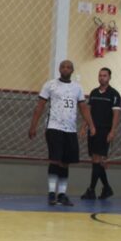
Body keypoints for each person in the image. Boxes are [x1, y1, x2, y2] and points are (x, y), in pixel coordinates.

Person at [28, 60, 96, 207]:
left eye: (69, 67)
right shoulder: (50, 85)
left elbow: (83, 108)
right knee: (55, 159)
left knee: (65, 163)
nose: (66, 69)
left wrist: (91, 125)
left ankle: (62, 194)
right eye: (63, 67)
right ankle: (52, 193)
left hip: (70, 129)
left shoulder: (77, 88)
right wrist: (33, 126)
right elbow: (40, 106)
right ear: (59, 69)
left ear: (72, 70)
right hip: (54, 127)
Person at [81, 68, 121, 200]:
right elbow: (89, 111)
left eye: (104, 76)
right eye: (100, 75)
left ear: (109, 77)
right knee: (95, 160)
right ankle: (107, 188)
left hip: (104, 130)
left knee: (97, 160)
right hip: (92, 130)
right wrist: (84, 126)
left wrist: (112, 131)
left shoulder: (114, 94)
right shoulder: (93, 93)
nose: (102, 78)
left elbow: (116, 114)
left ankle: (91, 189)